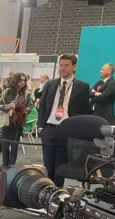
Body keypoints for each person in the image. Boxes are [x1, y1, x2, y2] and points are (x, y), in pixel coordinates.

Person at [37, 54, 91, 187]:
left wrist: (79, 132)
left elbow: (84, 111)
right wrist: (41, 127)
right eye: (61, 65)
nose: (63, 68)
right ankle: (46, 192)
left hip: (67, 130)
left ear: (74, 67)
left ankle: (57, 194)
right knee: (47, 166)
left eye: (66, 65)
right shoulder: (50, 84)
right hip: (49, 128)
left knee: (60, 167)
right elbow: (43, 106)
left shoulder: (82, 86)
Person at [0, 72, 34, 170]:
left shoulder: (26, 93)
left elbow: (31, 105)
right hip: (6, 119)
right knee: (5, 143)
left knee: (14, 143)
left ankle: (11, 164)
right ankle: (4, 163)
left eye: (24, 80)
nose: (22, 82)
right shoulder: (7, 91)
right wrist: (6, 107)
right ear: (16, 81)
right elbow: (0, 105)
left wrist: (26, 110)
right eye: (20, 80)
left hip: (18, 120)